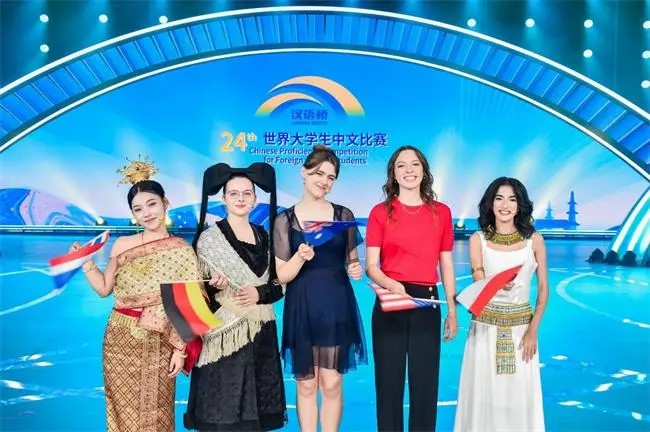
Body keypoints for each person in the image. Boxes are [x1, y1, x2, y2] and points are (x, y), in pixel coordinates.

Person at [70, 157, 201, 431]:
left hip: (159, 340)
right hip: (119, 337)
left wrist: (180, 351)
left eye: (152, 204)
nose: (147, 213)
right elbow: (104, 289)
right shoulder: (123, 244)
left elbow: (190, 304)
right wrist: (86, 263)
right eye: (138, 209)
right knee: (119, 408)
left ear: (165, 203)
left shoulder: (181, 249)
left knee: (156, 409)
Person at [184, 162, 287, 431]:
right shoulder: (208, 240)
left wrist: (259, 293)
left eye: (246, 193)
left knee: (256, 412)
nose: (240, 198)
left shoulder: (265, 236)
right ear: (224, 199)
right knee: (223, 410)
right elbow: (194, 292)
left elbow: (279, 285)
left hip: (261, 333)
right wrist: (213, 288)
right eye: (234, 193)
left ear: (254, 199)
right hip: (224, 335)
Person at [365, 145, 459, 431]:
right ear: (393, 173)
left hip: (427, 302)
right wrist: (391, 283)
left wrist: (452, 311)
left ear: (424, 171)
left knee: (425, 385)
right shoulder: (380, 212)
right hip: (390, 300)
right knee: (388, 385)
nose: (409, 170)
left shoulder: (441, 213)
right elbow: (371, 266)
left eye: (415, 164)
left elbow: (446, 263)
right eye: (401, 165)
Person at [274, 145, 367, 432]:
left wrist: (356, 269)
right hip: (301, 307)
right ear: (303, 173)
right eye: (318, 173)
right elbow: (282, 276)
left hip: (336, 305)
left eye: (330, 177)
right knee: (306, 384)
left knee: (332, 383)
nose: (324, 181)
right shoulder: (284, 220)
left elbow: (352, 262)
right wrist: (299, 257)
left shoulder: (342, 215)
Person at [454, 177, 547, 431]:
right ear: (490, 203)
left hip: (522, 332)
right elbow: (479, 281)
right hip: (485, 331)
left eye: (512, 199)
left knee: (519, 399)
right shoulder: (478, 240)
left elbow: (543, 291)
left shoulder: (534, 240)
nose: (505, 205)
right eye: (499, 198)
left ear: (520, 205)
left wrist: (532, 331)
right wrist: (493, 284)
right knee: (482, 398)